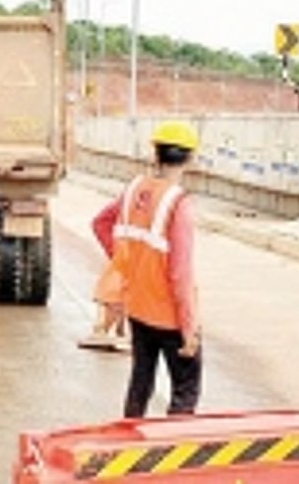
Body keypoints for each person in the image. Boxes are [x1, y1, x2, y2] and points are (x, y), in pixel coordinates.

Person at [91, 120, 201, 418]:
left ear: (155, 154)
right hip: (168, 315)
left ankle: (129, 445)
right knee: (185, 391)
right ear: (190, 159)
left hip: (137, 307)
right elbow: (180, 274)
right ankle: (174, 454)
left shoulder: (133, 191)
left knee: (140, 382)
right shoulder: (178, 203)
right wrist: (189, 329)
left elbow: (101, 223)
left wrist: (128, 261)